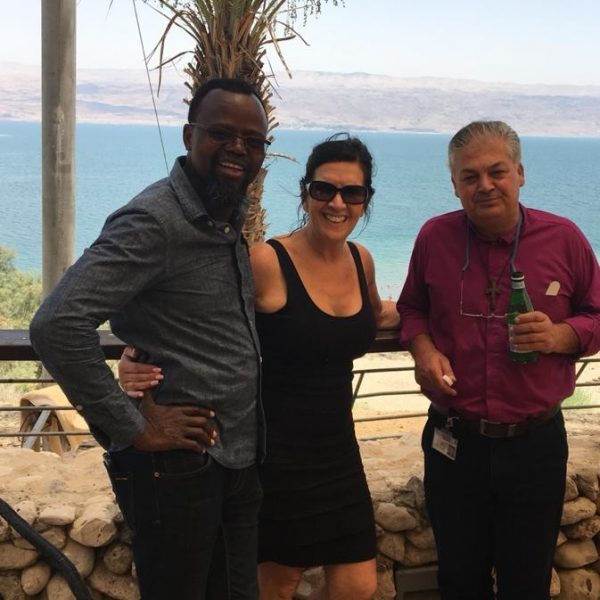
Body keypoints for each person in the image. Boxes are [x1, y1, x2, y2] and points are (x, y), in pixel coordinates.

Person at [119, 134, 399, 600]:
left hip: (339, 450)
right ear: (305, 194)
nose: (337, 203)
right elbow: (199, 317)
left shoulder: (360, 260)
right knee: (277, 585)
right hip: (277, 452)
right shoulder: (268, 260)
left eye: (352, 193)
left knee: (358, 585)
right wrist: (135, 352)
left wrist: (428, 323)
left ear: (365, 200)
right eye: (324, 189)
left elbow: (378, 314)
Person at [30, 78, 270, 600]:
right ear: (189, 135)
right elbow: (57, 324)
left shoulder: (224, 218)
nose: (238, 148)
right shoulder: (154, 220)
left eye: (253, 141)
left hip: (235, 460)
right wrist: (133, 425)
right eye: (222, 133)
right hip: (175, 471)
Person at [397, 120, 600, 599]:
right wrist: (424, 349)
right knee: (459, 581)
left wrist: (561, 336)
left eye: (497, 172)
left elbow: (597, 313)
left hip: (535, 446)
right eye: (470, 176)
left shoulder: (564, 238)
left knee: (526, 584)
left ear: (520, 174)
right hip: (454, 441)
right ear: (454, 185)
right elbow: (412, 308)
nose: (485, 185)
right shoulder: (434, 237)